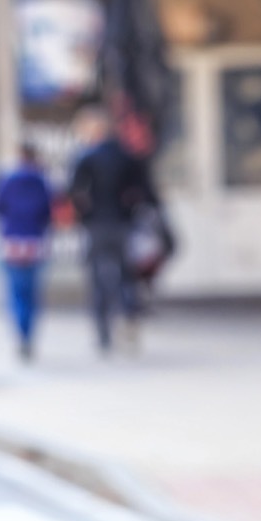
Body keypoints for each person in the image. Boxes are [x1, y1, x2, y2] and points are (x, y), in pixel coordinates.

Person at [67, 105, 161, 355]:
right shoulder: (127, 156)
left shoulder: (86, 157)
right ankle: (129, 318)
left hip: (97, 225)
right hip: (122, 223)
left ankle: (103, 334)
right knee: (125, 276)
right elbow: (146, 192)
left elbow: (74, 192)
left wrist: (84, 215)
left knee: (97, 279)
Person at [0, 142, 54, 362]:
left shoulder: (7, 179)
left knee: (16, 292)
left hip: (12, 242)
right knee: (31, 292)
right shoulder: (41, 180)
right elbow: (48, 210)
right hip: (35, 241)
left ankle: (21, 333)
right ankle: (28, 334)